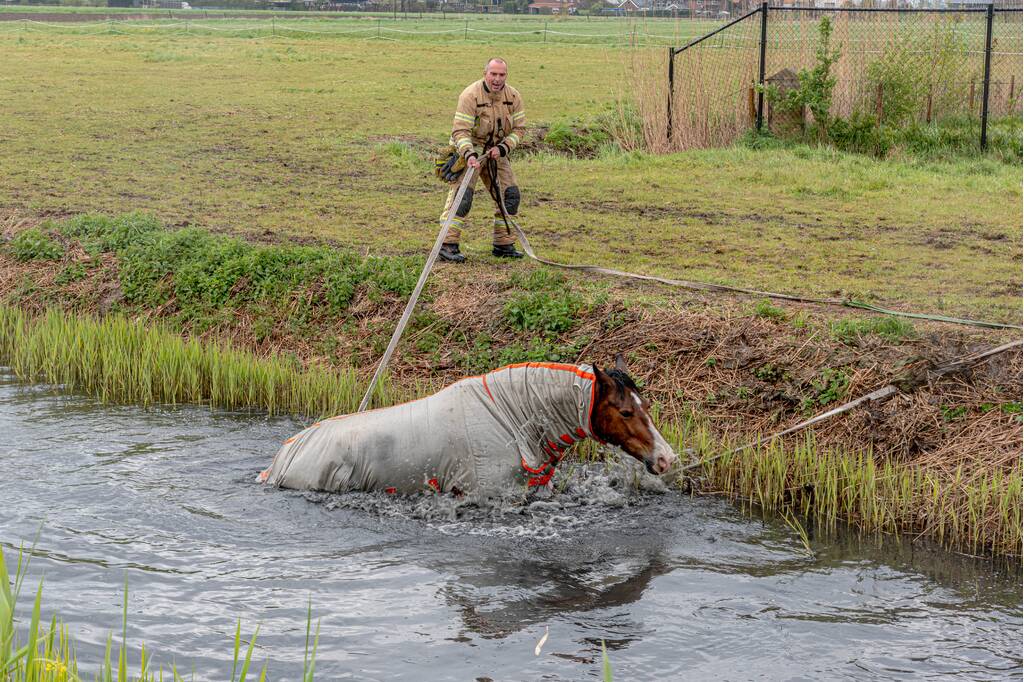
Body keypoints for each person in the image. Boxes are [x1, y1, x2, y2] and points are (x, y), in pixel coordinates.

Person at [437, 57, 526, 263]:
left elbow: (520, 129)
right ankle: (447, 245)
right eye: (493, 74)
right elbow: (460, 131)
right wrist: (468, 154)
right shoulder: (469, 95)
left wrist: (503, 148)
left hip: (496, 151)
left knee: (510, 195)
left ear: (506, 75)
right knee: (462, 198)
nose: (497, 79)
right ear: (484, 73)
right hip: (470, 152)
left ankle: (503, 244)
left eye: (501, 75)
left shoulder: (514, 96)